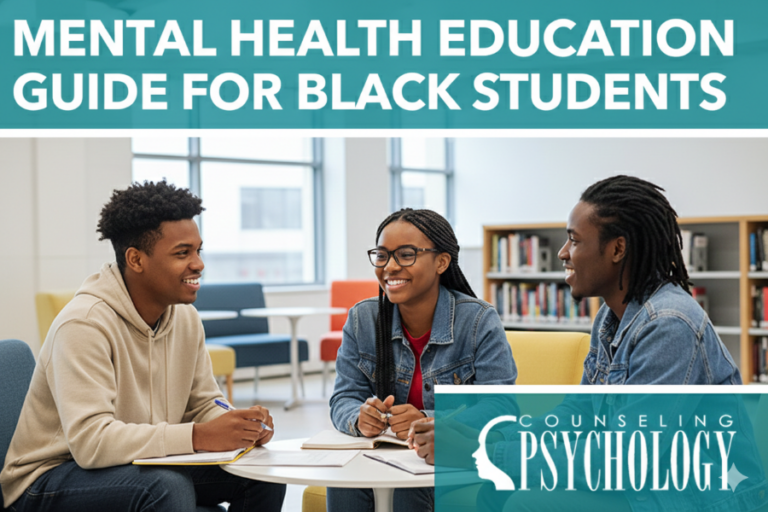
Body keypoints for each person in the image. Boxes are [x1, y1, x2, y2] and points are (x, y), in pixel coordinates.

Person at [1, 181, 286, 512]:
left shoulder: (185, 318)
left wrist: (239, 423)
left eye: (198, 250)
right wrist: (198, 436)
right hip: (49, 479)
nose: (198, 264)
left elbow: (205, 402)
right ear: (136, 259)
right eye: (183, 253)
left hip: (135, 463)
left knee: (261, 472)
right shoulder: (83, 325)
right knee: (164, 487)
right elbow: (91, 443)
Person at [328, 208, 517, 512]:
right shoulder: (363, 318)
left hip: (450, 457)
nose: (389, 267)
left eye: (405, 255)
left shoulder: (479, 320)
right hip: (384, 453)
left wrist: (430, 420)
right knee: (345, 482)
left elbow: (500, 407)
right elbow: (344, 397)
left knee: (409, 484)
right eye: (382, 255)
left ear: (442, 262)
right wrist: (358, 417)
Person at [558, 175, 740, 385]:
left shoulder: (668, 323)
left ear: (617, 249)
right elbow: (581, 409)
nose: (562, 253)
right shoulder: (608, 316)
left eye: (574, 240)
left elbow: (637, 419)